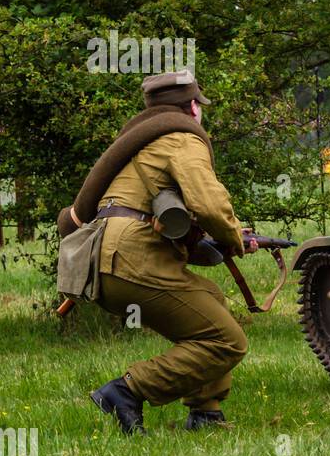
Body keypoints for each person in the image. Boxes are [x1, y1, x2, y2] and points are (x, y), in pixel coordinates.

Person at [87, 71, 257, 434]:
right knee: (227, 341)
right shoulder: (182, 139)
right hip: (132, 258)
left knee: (211, 301)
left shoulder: (145, 142)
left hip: (104, 261)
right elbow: (209, 206)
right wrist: (236, 238)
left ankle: (205, 412)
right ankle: (126, 390)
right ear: (193, 106)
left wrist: (224, 236)